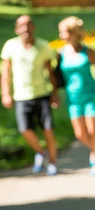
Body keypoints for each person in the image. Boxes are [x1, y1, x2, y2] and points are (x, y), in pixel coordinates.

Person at [57, 16, 95, 175]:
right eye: (61, 32)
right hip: (73, 98)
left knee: (93, 131)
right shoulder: (60, 54)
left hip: (91, 95)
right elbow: (55, 77)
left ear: (75, 33)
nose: (63, 36)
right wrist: (54, 95)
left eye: (66, 32)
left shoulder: (88, 52)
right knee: (80, 134)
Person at [1, 15, 59, 175]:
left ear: (33, 27)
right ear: (17, 29)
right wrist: (6, 93)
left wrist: (54, 94)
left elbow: (51, 72)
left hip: (42, 94)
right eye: (21, 25)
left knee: (48, 130)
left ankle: (53, 162)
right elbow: (5, 73)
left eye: (28, 25)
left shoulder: (43, 46)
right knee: (25, 129)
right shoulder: (10, 46)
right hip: (21, 96)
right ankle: (41, 152)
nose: (25, 28)